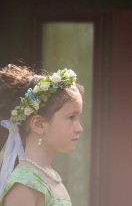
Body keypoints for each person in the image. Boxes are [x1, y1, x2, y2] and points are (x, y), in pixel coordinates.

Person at [0, 64, 84, 206]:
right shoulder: (25, 184)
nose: (80, 128)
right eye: (71, 117)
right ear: (39, 124)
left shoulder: (49, 176)